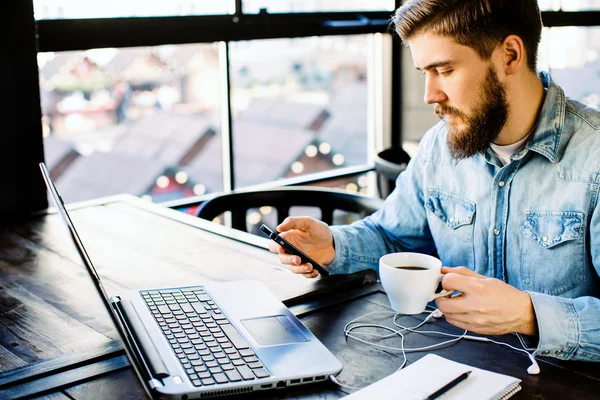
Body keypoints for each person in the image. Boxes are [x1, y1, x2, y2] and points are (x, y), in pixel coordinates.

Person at [269, 0, 600, 362]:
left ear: (509, 55)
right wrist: (334, 246)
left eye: (444, 69)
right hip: (453, 364)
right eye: (424, 72)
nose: (430, 95)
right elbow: (393, 236)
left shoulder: (593, 157)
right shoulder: (437, 147)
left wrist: (527, 314)